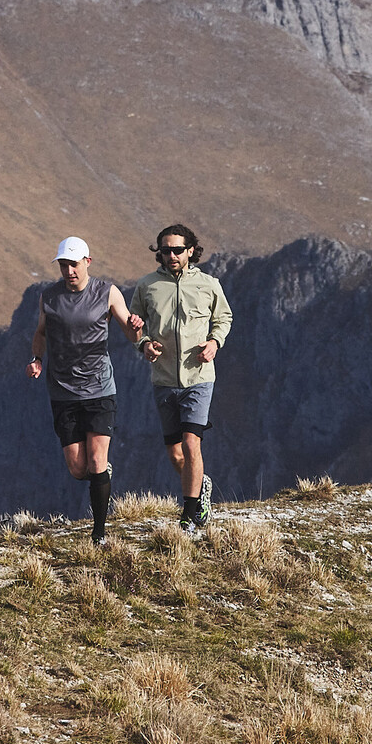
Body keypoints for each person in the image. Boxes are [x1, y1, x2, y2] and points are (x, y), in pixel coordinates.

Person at [27, 236, 143, 545]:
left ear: (87, 263)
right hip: (63, 391)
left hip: (100, 388)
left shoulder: (107, 293)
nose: (69, 271)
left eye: (74, 265)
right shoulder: (49, 298)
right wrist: (37, 359)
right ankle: (102, 474)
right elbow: (40, 334)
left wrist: (137, 327)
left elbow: (130, 333)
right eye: (63, 265)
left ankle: (99, 533)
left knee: (95, 460)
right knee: (79, 468)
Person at [130, 224, 233, 533]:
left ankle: (189, 516)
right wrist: (144, 344)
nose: (171, 255)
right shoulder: (147, 286)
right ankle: (202, 487)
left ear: (191, 251)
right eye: (165, 250)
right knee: (176, 454)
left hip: (199, 378)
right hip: (163, 380)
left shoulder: (208, 284)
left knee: (191, 446)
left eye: (177, 249)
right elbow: (134, 322)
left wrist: (214, 343)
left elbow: (223, 317)